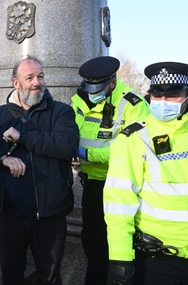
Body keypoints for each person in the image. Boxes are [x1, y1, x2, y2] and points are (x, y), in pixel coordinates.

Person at [104, 62, 188, 285]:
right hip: (156, 263)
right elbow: (118, 205)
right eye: (157, 95)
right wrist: (120, 260)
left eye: (172, 95)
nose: (163, 101)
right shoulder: (134, 138)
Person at [0, 55, 79, 284]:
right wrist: (2, 159)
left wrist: (24, 137)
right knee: (11, 275)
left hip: (49, 215)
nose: (36, 82)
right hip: (10, 214)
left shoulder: (61, 112)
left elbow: (66, 145)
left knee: (48, 277)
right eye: (29, 77)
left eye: (40, 76)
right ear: (15, 83)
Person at [71, 56, 150, 285]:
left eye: (98, 88)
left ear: (112, 82)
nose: (92, 93)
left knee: (123, 249)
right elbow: (69, 133)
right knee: (92, 244)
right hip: (93, 186)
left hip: (123, 186)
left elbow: (132, 151)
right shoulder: (79, 100)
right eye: (89, 87)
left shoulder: (133, 104)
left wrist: (85, 153)